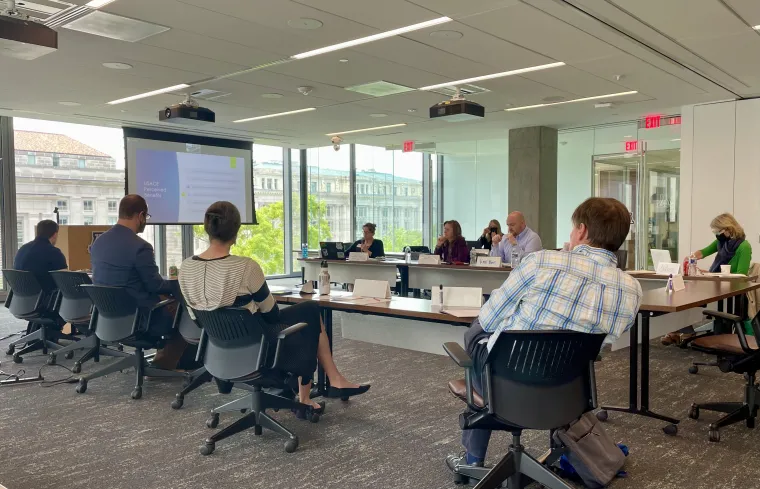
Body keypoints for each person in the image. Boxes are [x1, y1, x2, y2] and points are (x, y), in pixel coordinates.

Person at [446, 197, 642, 473]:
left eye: (574, 229)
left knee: (477, 336)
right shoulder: (631, 289)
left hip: (509, 386)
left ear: (582, 231)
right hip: (568, 395)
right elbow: (606, 341)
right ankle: (557, 454)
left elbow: (490, 317)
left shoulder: (541, 262)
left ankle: (472, 460)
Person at [179, 201, 369, 417]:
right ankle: (309, 395)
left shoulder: (186, 267)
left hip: (218, 351)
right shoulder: (245, 266)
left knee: (307, 313)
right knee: (309, 311)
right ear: (236, 231)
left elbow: (197, 319)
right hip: (258, 349)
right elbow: (272, 314)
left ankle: (329, 383)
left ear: (207, 228)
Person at [90, 195, 192, 370]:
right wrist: (181, 283)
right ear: (141, 215)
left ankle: (166, 362)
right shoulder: (140, 246)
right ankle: (165, 365)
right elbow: (155, 285)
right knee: (186, 311)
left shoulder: (99, 242)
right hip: (140, 320)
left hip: (107, 318)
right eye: (147, 217)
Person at [662, 213, 753, 346]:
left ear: (729, 229)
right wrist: (692, 257)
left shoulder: (744, 246)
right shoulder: (721, 243)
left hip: (731, 289)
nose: (716, 234)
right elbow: (704, 252)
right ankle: (684, 330)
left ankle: (683, 331)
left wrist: (714, 274)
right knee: (682, 294)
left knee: (690, 296)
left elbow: (742, 275)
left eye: (718, 231)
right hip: (715, 284)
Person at [14, 219, 67, 293]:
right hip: (45, 297)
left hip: (21, 297)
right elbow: (64, 278)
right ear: (55, 234)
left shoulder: (23, 249)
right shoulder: (54, 252)